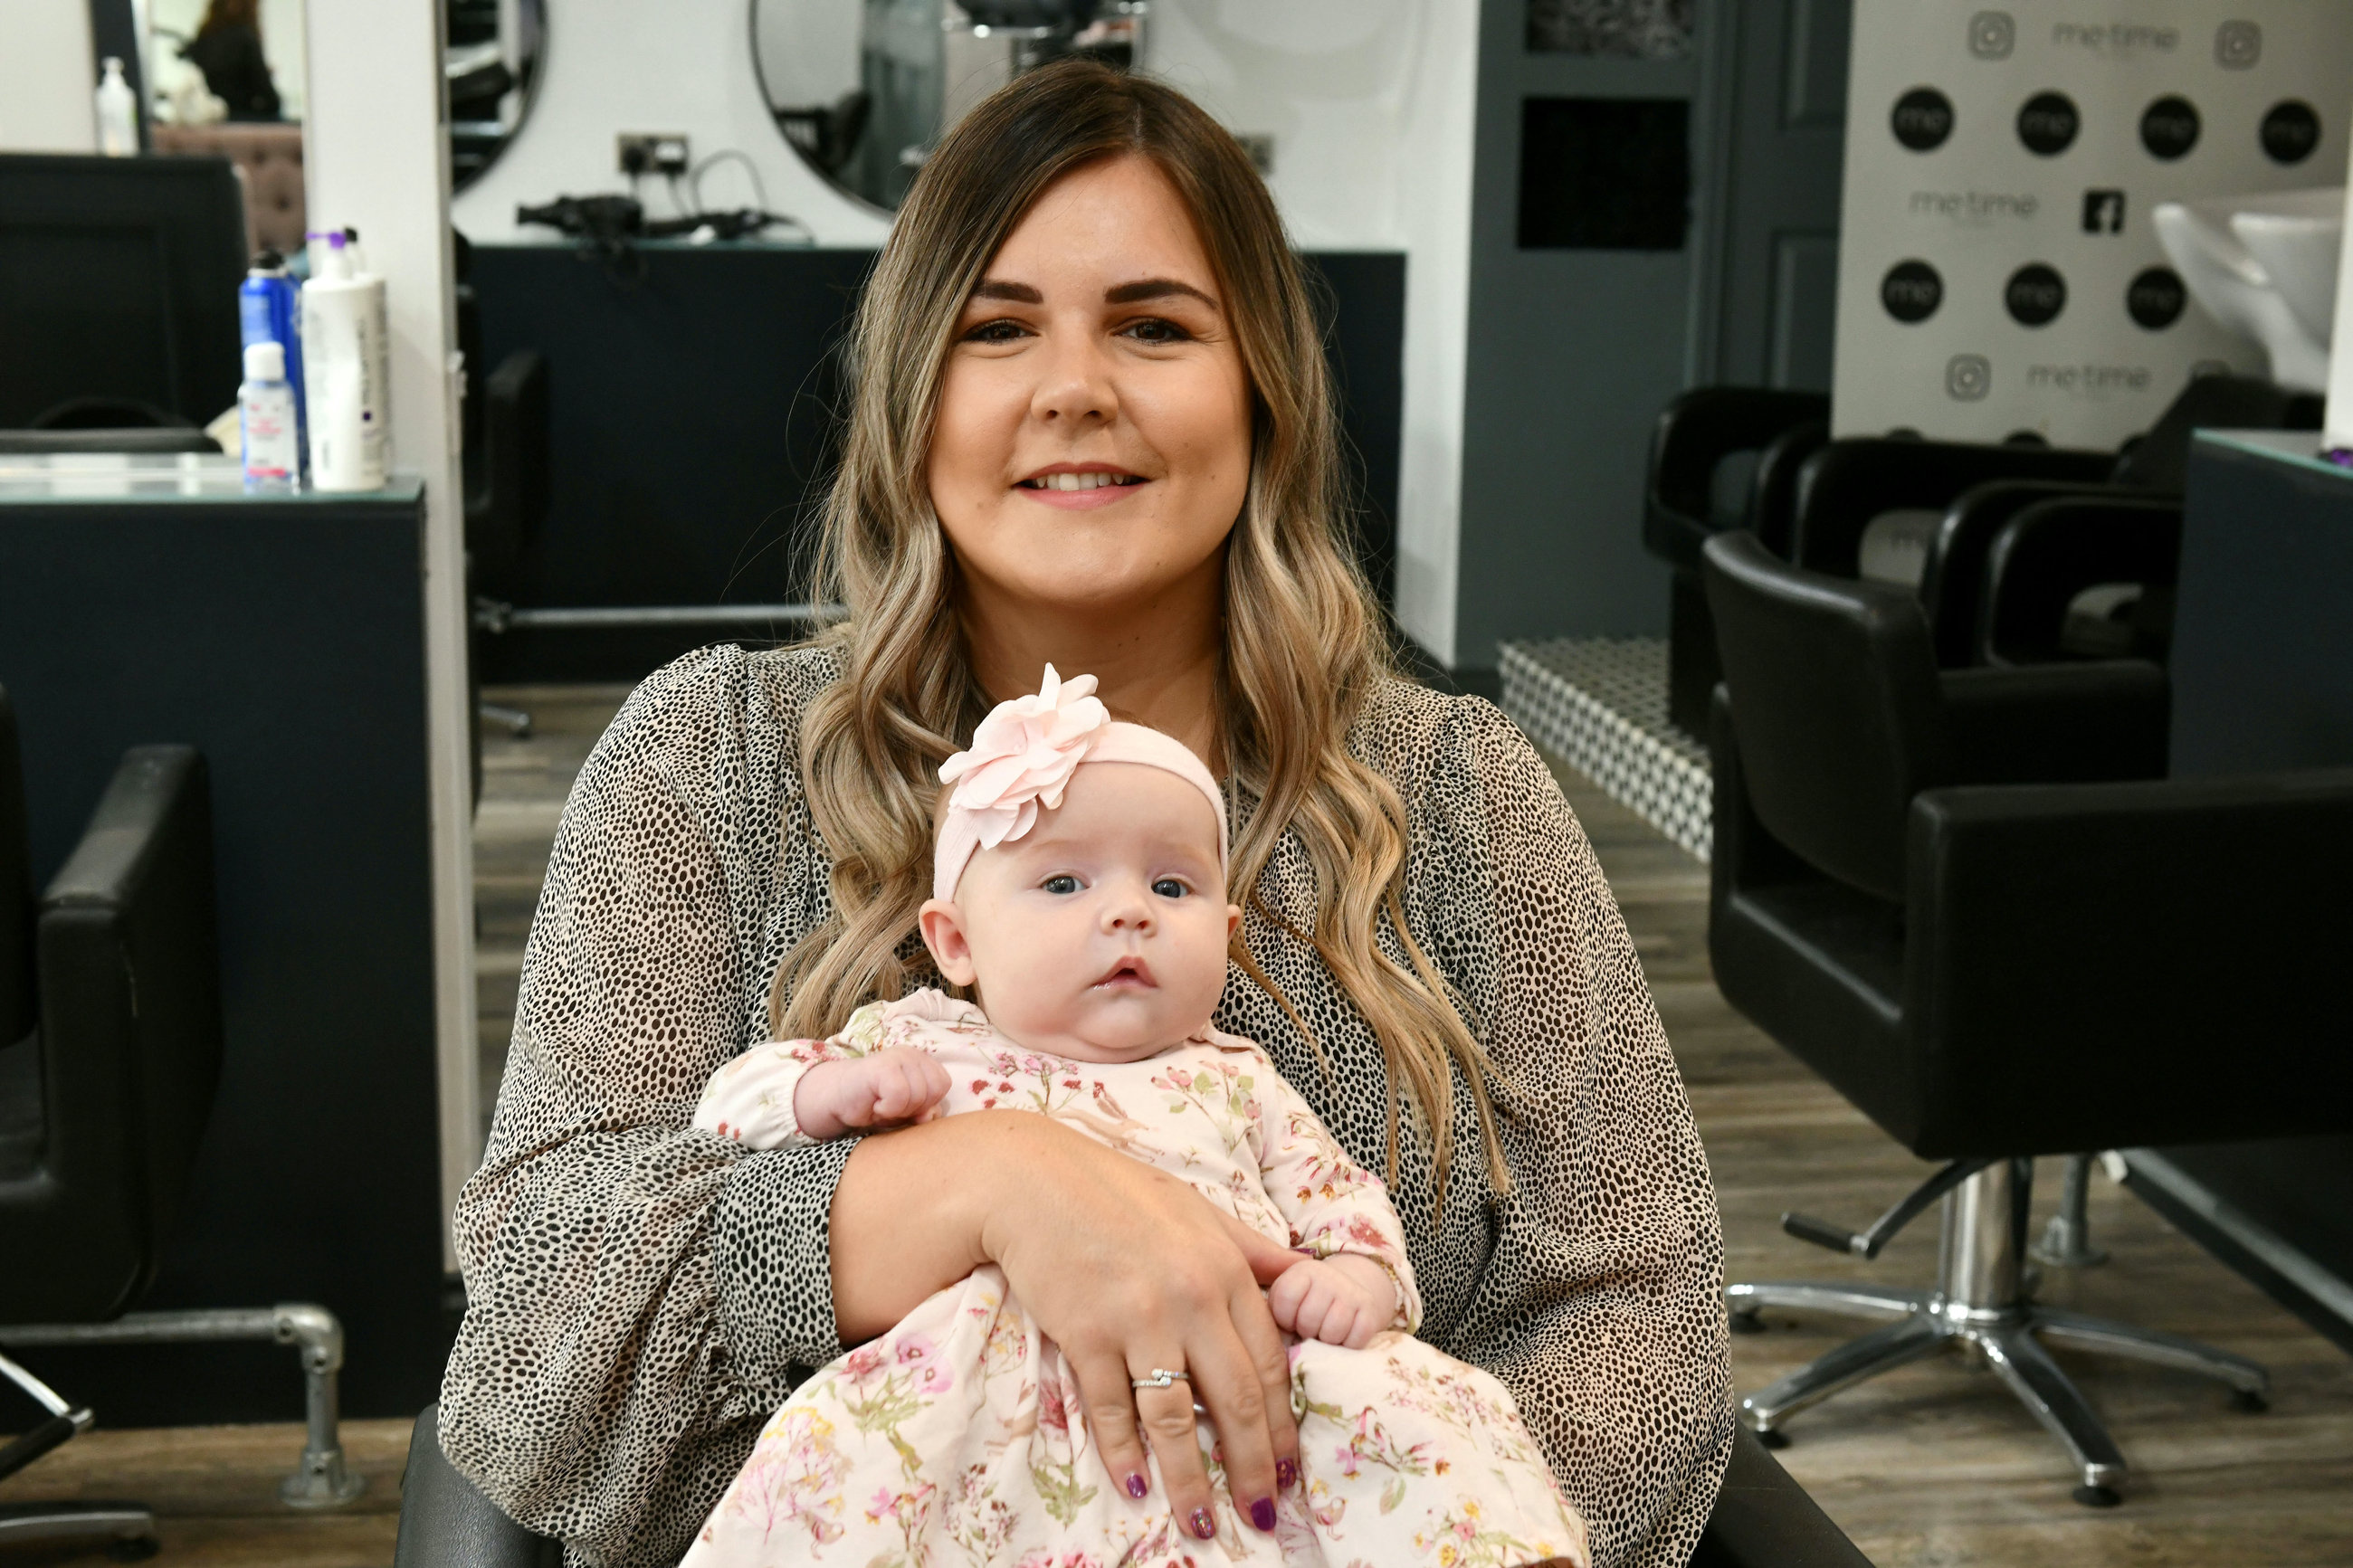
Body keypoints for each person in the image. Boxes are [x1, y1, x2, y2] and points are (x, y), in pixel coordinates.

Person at [438, 57, 1732, 1568]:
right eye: (998, 329)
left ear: (1262, 389)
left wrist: (1378, 1514)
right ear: (914, 399)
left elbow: (1641, 1329)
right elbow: (534, 1330)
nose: (1074, 388)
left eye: (1154, 325)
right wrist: (981, 1185)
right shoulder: (705, 762)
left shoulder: (1457, 795)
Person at [680, 671, 1591, 1566]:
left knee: (1418, 1415)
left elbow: (1339, 1196)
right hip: (977, 1401)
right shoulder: (913, 1043)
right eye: (1064, 882)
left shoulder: (1236, 1079)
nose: (1126, 911)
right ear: (954, 940)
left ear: (1225, 932)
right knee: (854, 1478)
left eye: (1170, 887)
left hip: (1234, 1375)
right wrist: (819, 1095)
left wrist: (1358, 1276)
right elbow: (724, 1116)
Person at [180, 0, 281, 121]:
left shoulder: (204, 38)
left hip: (210, 119)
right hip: (241, 118)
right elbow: (271, 100)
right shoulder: (245, 39)